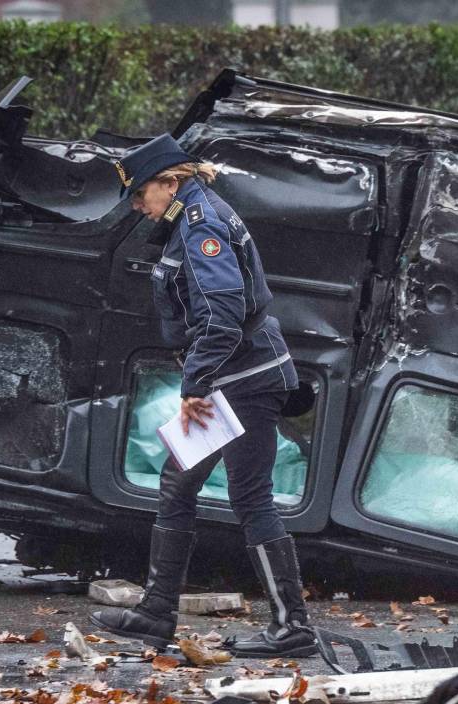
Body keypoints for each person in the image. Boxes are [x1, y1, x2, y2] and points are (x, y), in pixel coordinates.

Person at [90, 133, 317, 659]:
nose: (137, 207)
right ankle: (158, 613)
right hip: (235, 378)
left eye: (140, 195)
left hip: (242, 379)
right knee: (183, 482)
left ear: (170, 183)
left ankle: (289, 626)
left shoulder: (200, 226)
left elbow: (223, 315)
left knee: (243, 495)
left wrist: (194, 387)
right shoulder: (191, 216)